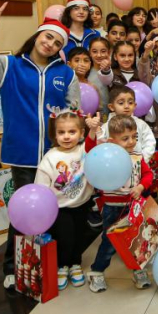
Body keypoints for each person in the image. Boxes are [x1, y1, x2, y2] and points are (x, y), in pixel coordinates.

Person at [0, 3, 78, 289]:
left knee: (57, 210)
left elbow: (73, 109)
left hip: (56, 156)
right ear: (37, 35)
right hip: (23, 154)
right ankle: (14, 266)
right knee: (25, 212)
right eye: (47, 37)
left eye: (57, 43)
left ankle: (54, 263)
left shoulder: (65, 74)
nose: (50, 44)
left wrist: (71, 126)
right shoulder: (10, 67)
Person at [34, 110, 101, 290]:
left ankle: (75, 264)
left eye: (72, 132)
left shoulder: (83, 150)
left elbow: (93, 144)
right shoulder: (50, 157)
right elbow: (41, 186)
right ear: (55, 135)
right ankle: (62, 266)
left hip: (81, 204)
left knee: (79, 235)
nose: (66, 136)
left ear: (81, 133)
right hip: (59, 208)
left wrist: (93, 129)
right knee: (64, 238)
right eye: (61, 132)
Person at [86, 115, 154, 293]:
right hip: (112, 207)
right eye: (125, 138)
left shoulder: (137, 156)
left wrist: (141, 186)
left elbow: (148, 175)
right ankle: (97, 271)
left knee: (136, 240)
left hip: (133, 207)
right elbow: (90, 151)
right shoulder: (106, 155)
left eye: (134, 137)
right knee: (110, 242)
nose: (131, 141)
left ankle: (137, 270)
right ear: (111, 141)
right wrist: (92, 130)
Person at [97, 85, 156, 161]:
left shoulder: (141, 124)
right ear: (111, 107)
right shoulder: (106, 126)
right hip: (114, 163)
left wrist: (142, 160)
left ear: (135, 105)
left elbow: (150, 142)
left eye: (130, 103)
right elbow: (101, 146)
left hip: (137, 163)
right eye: (121, 103)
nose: (126, 106)